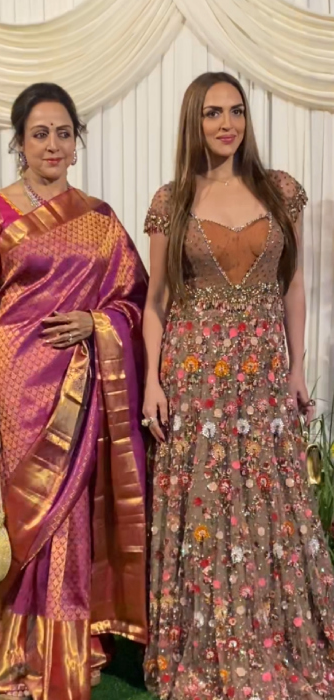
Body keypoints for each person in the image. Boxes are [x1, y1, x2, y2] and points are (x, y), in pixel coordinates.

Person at [142, 71, 334, 700]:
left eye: (237, 111)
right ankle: (205, 649)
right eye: (213, 113)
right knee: (204, 508)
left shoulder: (281, 190)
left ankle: (278, 642)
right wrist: (153, 382)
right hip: (194, 377)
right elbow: (155, 303)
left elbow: (294, 286)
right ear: (193, 123)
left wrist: (298, 366)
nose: (227, 124)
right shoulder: (172, 200)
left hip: (264, 378)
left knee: (272, 504)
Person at [0, 82, 148, 700]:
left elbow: (135, 299)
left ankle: (69, 650)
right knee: (29, 518)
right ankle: (20, 656)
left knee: (70, 515)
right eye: (39, 133)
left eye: (63, 133)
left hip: (82, 378)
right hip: (19, 382)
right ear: (20, 142)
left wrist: (97, 323)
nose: (52, 144)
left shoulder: (99, 218)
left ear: (77, 141)